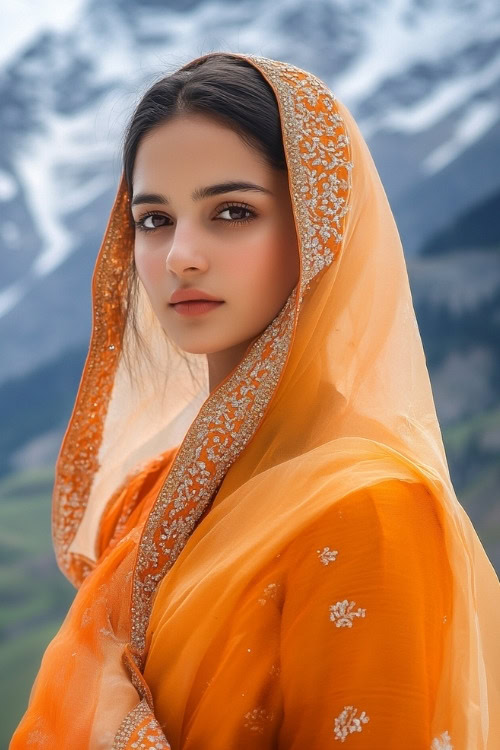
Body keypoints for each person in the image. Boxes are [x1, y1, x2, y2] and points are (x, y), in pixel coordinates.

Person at [10, 51, 500, 749]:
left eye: (232, 212)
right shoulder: (149, 500)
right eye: (153, 220)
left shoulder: (368, 509)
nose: (181, 255)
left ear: (315, 230)